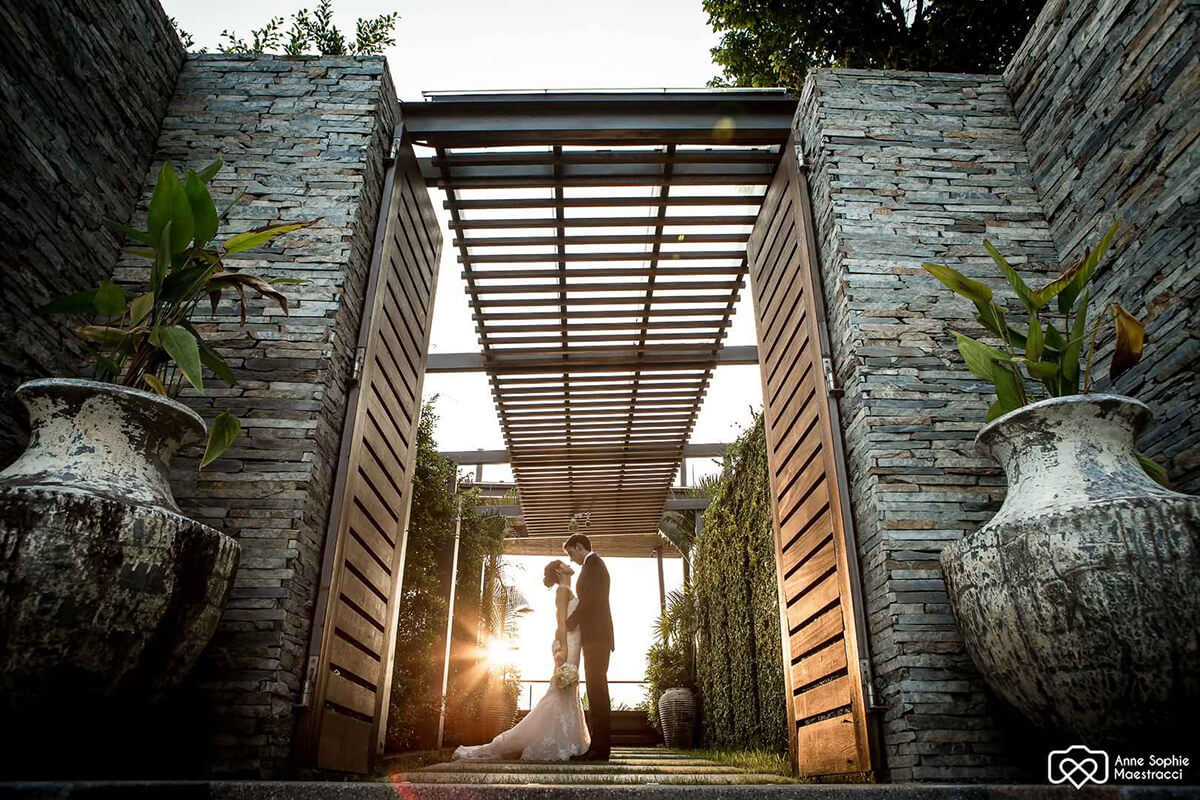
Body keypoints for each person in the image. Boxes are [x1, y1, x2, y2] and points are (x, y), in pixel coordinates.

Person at [451, 559, 590, 761]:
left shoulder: (567, 590)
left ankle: (566, 738)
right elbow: (560, 622)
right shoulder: (562, 590)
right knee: (561, 690)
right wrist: (564, 648)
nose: (570, 564)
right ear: (560, 570)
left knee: (566, 691)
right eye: (564, 563)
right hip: (568, 643)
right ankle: (553, 740)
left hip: (574, 642)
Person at [563, 533, 614, 762]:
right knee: (595, 690)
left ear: (579, 546)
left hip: (597, 637)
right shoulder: (592, 565)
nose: (571, 559)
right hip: (595, 637)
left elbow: (591, 600)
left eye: (571, 553)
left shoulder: (594, 564)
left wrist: (570, 620)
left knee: (597, 691)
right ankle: (598, 746)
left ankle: (600, 750)